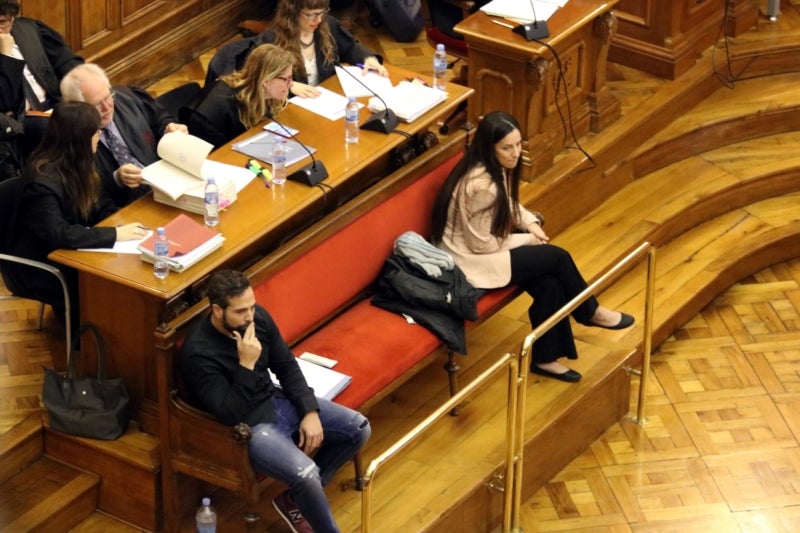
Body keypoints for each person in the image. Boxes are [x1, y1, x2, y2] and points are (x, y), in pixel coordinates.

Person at [430, 111, 634, 383]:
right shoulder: (482, 186)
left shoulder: (489, 166)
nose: (516, 153)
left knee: (550, 283)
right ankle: (590, 311)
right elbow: (482, 245)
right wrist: (527, 239)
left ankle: (545, 358)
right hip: (468, 261)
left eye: (518, 144)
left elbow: (507, 204)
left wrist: (529, 223)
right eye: (507, 147)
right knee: (557, 258)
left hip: (480, 249)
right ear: (490, 147)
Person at [179, 269, 371, 533]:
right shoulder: (197, 353)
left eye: (252, 307)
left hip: (276, 400)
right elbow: (228, 414)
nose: (250, 316)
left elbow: (286, 366)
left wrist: (309, 410)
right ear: (217, 310)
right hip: (248, 427)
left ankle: (293, 500)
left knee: (358, 428)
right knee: (305, 474)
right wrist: (246, 365)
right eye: (241, 311)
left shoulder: (258, 319)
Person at [5, 101, 144, 323]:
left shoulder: (79, 162)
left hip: (69, 248)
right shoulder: (41, 183)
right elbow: (59, 234)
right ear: (81, 139)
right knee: (111, 280)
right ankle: (94, 332)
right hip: (40, 265)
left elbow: (98, 201)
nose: (100, 135)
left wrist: (118, 220)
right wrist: (115, 234)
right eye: (96, 132)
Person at [60, 63, 188, 207]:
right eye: (97, 105)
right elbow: (90, 197)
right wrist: (116, 179)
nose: (107, 107)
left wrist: (169, 128)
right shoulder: (71, 140)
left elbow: (159, 118)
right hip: (126, 206)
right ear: (77, 108)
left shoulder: (127, 97)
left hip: (167, 181)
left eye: (108, 97)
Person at [0, 0, 84, 177]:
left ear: (13, 18)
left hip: (54, 103)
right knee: (51, 128)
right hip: (21, 123)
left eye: (2, 22)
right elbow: (5, 100)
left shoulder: (29, 29)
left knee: (106, 99)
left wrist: (81, 84)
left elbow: (67, 61)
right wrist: (5, 56)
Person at [189, 44, 293, 149]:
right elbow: (220, 153)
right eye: (286, 79)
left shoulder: (264, 96)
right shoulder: (223, 107)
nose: (291, 84)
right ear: (266, 81)